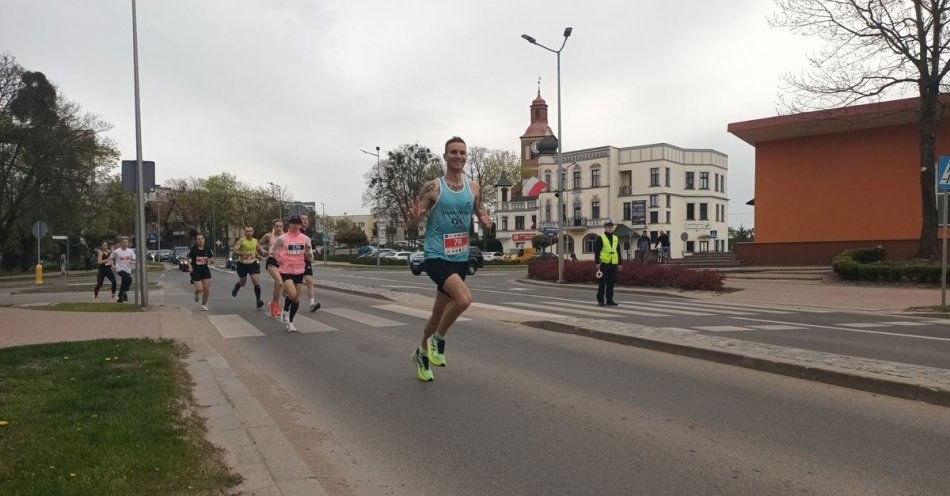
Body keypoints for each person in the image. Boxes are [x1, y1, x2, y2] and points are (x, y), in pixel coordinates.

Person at [406, 136, 492, 382]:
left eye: (462, 152)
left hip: (460, 257)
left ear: (466, 156)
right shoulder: (433, 187)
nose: (458, 156)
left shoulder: (473, 187)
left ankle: (421, 353)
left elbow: (482, 212)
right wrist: (414, 219)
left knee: (437, 314)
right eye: (453, 152)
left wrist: (486, 221)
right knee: (464, 299)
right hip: (436, 256)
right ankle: (438, 339)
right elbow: (413, 222)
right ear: (445, 156)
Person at [272, 216, 312, 332]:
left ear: (300, 225)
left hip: (299, 270)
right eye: (293, 223)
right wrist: (277, 258)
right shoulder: (282, 238)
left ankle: (290, 322)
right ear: (289, 224)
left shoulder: (305, 239)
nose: (295, 225)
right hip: (286, 270)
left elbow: (309, 254)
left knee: (295, 299)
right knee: (293, 295)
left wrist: (309, 255)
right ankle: (285, 308)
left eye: (297, 223)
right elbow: (273, 251)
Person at [230, 226, 266, 309]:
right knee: (243, 283)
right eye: (247, 231)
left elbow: (258, 250)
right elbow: (235, 250)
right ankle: (237, 286)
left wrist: (260, 254)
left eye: (250, 231)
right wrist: (243, 253)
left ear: (253, 232)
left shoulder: (255, 241)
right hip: (242, 264)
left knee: (256, 281)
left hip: (252, 263)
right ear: (244, 232)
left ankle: (258, 301)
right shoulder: (241, 241)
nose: (249, 233)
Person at [259, 219, 285, 317]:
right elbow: (257, 243)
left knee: (277, 286)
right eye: (276, 226)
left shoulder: (286, 236)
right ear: (273, 227)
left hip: (282, 263)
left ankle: (273, 304)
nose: (278, 228)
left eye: (280, 226)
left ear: (283, 227)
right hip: (272, 261)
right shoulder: (268, 236)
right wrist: (261, 251)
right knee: (280, 283)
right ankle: (276, 305)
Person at [593, 221, 623, 307]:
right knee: (602, 283)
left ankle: (609, 300)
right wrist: (597, 262)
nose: (610, 228)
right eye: (608, 227)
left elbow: (618, 251)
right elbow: (597, 251)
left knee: (611, 283)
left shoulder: (615, 238)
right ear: (605, 228)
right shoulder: (600, 237)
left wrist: (620, 263)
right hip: (604, 263)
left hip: (613, 263)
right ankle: (601, 300)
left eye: (611, 227)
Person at [299, 214, 321, 312]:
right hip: (295, 260)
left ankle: (312, 303)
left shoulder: (310, 232)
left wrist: (316, 249)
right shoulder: (294, 231)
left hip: (306, 259)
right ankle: (286, 291)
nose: (304, 220)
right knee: (296, 283)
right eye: (302, 219)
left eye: (306, 219)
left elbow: (312, 244)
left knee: (309, 280)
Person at [187, 234, 214, 311]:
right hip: (195, 272)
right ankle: (196, 293)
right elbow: (188, 258)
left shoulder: (208, 249)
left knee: (206, 289)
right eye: (198, 239)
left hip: (205, 271)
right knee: (200, 289)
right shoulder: (193, 249)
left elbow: (212, 259)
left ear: (204, 240)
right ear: (196, 241)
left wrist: (210, 260)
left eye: (202, 239)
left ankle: (204, 304)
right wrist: (190, 266)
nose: (200, 241)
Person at [109, 237, 136, 303]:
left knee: (123, 283)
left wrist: (132, 261)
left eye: (126, 242)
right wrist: (112, 265)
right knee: (129, 280)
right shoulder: (117, 251)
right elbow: (110, 258)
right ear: (121, 243)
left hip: (127, 269)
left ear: (128, 243)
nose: (125, 243)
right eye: (123, 242)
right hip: (120, 269)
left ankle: (120, 297)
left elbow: (134, 259)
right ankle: (124, 293)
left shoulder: (130, 251)